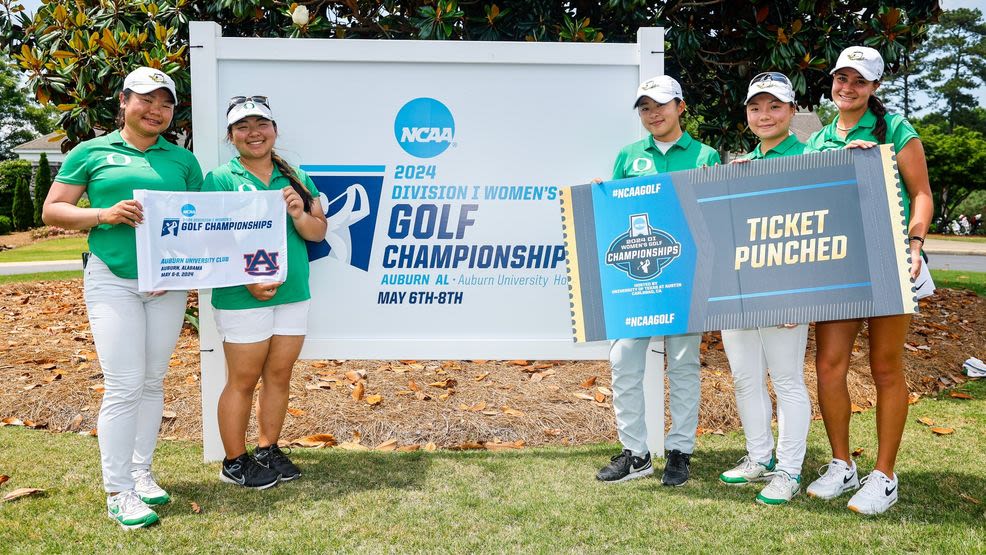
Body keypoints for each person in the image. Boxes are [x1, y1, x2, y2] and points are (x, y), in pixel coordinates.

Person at [42, 67, 203, 529]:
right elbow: (54, 208)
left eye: (166, 103)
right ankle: (118, 490)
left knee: (153, 381)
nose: (157, 110)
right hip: (112, 278)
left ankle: (141, 472)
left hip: (167, 283)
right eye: (147, 100)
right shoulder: (90, 152)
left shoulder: (182, 160)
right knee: (124, 383)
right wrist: (103, 214)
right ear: (124, 102)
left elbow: (202, 221)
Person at [804, 46, 933, 515]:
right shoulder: (818, 140)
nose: (847, 87)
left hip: (887, 257)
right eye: (841, 78)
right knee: (829, 366)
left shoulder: (895, 130)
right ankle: (842, 464)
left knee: (884, 368)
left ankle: (884, 475)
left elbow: (920, 194)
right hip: (836, 264)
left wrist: (915, 245)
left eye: (859, 80)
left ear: (874, 87)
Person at [595, 75, 720, 486]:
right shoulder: (629, 156)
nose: (654, 114)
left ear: (681, 106)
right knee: (623, 362)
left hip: (683, 281)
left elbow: (713, 219)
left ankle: (680, 452)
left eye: (661, 105)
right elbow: (613, 219)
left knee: (683, 366)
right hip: (635, 285)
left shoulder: (705, 156)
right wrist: (601, 195)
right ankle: (636, 454)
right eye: (645, 107)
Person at [204, 96, 327, 489]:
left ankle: (267, 449)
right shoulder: (220, 179)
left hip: (292, 292)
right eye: (242, 127)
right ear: (231, 136)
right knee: (242, 379)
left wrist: (298, 214)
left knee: (279, 375)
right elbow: (210, 241)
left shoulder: (297, 177)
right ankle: (234, 462)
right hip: (243, 295)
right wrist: (247, 280)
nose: (253, 133)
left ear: (274, 130)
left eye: (261, 124)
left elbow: (318, 232)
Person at [717, 72, 811, 506]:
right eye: (756, 107)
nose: (765, 115)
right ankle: (759, 456)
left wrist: (800, 294)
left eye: (775, 106)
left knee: (787, 379)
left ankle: (789, 470)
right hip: (741, 291)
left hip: (785, 293)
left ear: (792, 111)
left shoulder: (812, 158)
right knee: (744, 378)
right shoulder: (740, 165)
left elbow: (818, 237)